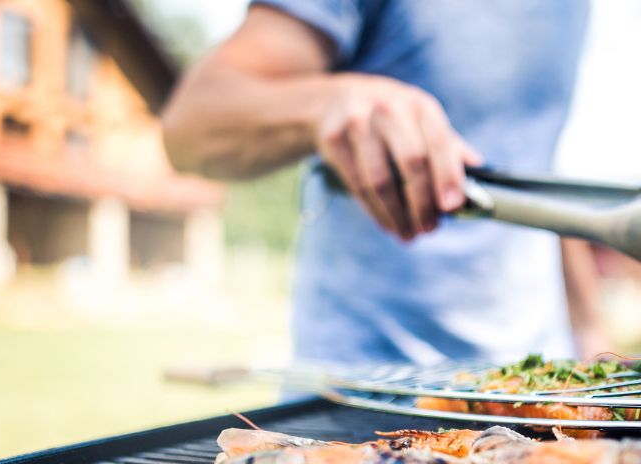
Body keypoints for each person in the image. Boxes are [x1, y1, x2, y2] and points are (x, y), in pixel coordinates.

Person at [162, 1, 607, 365]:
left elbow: (533, 161)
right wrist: (330, 102)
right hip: (363, 390)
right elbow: (190, 126)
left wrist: (591, 333)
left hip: (533, 378)